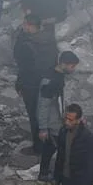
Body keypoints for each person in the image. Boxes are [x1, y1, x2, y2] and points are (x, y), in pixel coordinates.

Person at [13, 14, 57, 153]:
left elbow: (22, 65)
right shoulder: (50, 40)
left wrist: (19, 83)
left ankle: (38, 147)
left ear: (31, 26)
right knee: (47, 112)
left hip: (30, 84)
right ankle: (51, 142)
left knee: (34, 115)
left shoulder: (27, 44)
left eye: (25, 24)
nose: (23, 26)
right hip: (48, 82)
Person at [37, 51, 79, 181]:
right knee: (51, 149)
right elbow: (43, 105)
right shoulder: (50, 81)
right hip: (52, 122)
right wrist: (43, 128)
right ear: (63, 64)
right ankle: (45, 175)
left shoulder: (58, 76)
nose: (73, 69)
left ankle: (49, 174)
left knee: (54, 149)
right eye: (72, 66)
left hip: (57, 120)